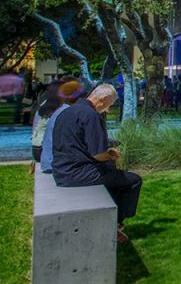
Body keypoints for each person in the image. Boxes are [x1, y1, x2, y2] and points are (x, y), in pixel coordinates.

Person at [51, 84, 141, 244]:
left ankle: (113, 218)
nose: (108, 109)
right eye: (110, 104)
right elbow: (98, 154)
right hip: (79, 174)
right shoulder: (91, 116)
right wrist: (112, 155)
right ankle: (117, 222)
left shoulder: (67, 112)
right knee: (133, 180)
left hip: (62, 170)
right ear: (104, 99)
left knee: (113, 174)